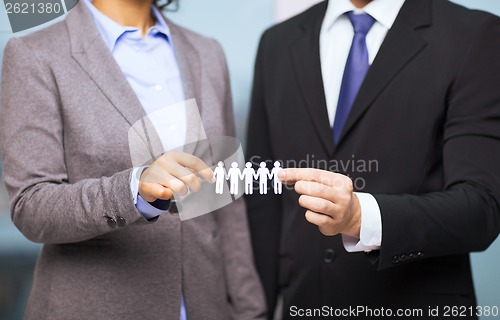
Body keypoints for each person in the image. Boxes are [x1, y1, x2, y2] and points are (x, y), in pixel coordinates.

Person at [0, 0, 265, 319]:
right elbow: (31, 205)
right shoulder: (35, 54)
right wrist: (134, 189)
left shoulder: (207, 53)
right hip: (95, 307)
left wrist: (251, 310)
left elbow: (226, 204)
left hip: (205, 306)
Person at [246, 0, 500, 318]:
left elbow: (481, 207)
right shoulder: (277, 43)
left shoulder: (472, 34)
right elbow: (263, 203)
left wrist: (359, 217)